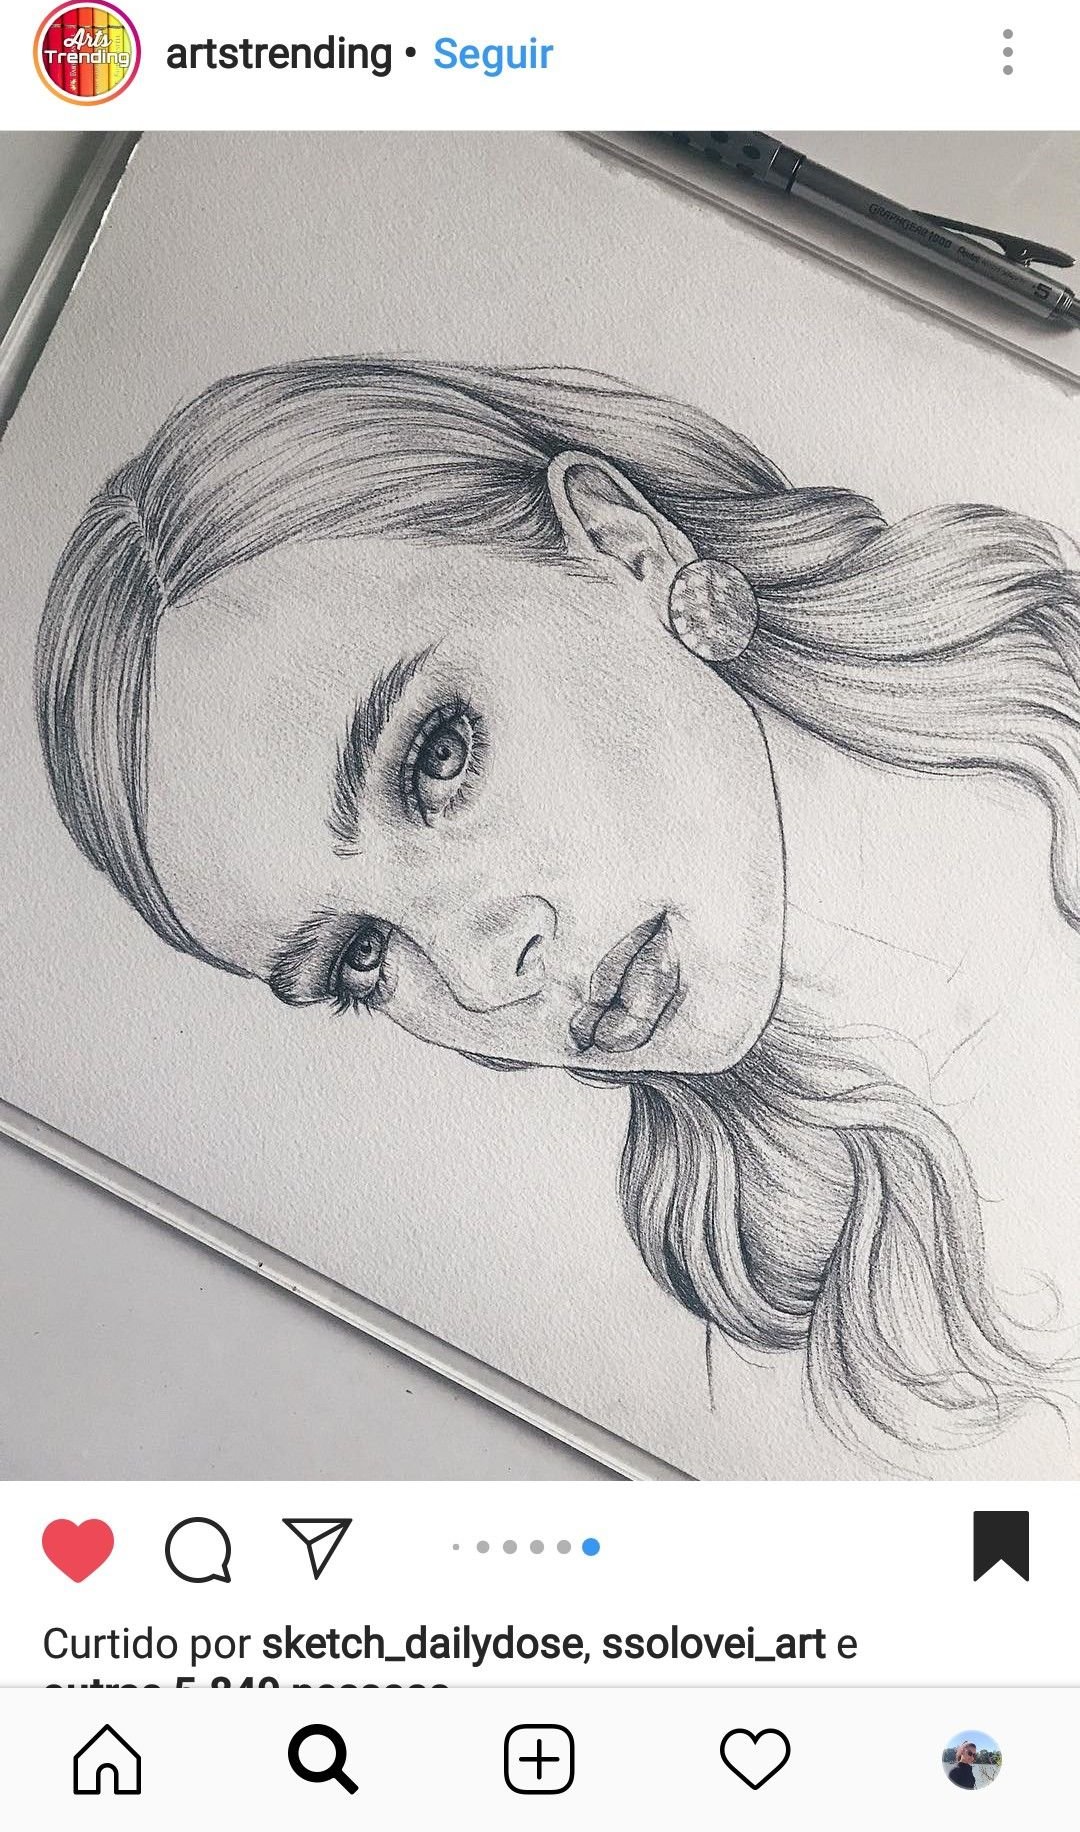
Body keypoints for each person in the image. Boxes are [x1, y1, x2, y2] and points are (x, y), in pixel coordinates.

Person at [34, 358, 1078, 1452]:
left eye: (437, 759)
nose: (485, 975)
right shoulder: (789, 1290)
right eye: (361, 957)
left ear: (624, 545)